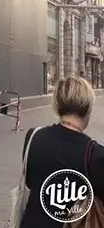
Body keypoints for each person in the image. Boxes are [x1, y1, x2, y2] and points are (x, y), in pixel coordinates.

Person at [19, 76, 104, 227]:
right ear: (87, 109)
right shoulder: (95, 154)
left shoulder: (33, 136)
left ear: (57, 105)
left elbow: (30, 181)